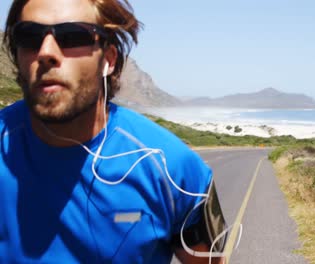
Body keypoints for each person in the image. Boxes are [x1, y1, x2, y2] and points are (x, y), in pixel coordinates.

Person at [0, 0, 225, 263]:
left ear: (108, 59)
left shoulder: (174, 168)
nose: (45, 52)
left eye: (72, 36)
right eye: (29, 36)